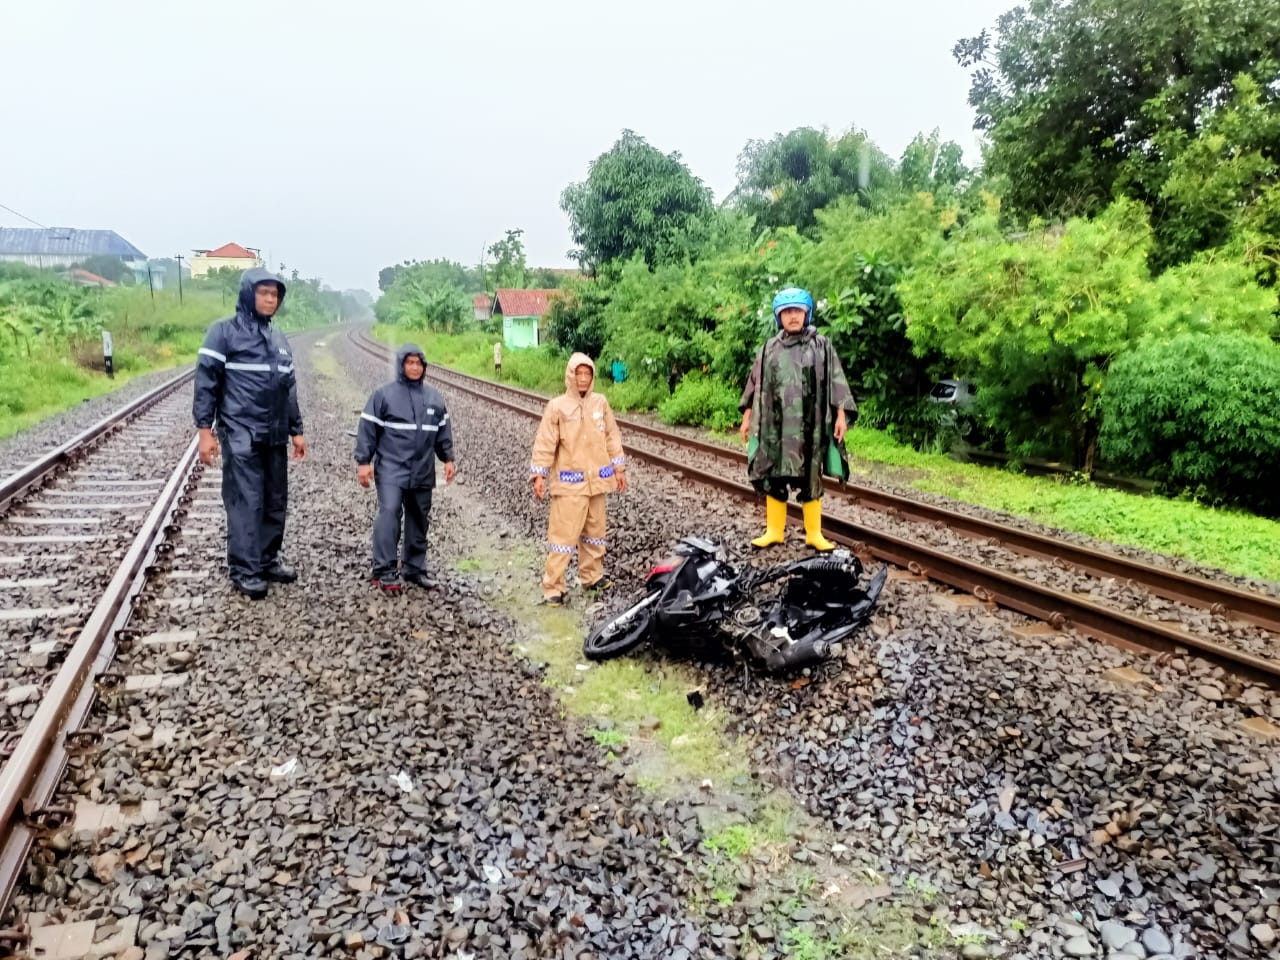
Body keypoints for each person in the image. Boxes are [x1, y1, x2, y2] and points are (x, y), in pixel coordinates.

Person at [193, 268, 306, 599]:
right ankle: (244, 568)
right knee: (246, 501)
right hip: (239, 430)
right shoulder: (223, 333)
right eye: (264, 293)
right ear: (248, 294)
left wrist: (296, 431)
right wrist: (205, 431)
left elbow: (288, 390)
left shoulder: (279, 339)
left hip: (274, 433)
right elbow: (206, 383)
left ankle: (268, 559)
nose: (270, 300)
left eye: (275, 295)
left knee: (274, 499)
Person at [739, 287, 855, 552]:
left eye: (798, 311)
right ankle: (773, 531)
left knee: (811, 474)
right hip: (775, 426)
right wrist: (747, 417)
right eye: (787, 312)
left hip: (809, 426)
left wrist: (840, 415)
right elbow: (754, 385)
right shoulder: (769, 348)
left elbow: (837, 380)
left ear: (807, 313)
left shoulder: (822, 345)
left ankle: (814, 534)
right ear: (779, 316)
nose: (793, 316)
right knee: (772, 473)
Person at [354, 343, 456, 592]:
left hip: (422, 469)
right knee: (389, 513)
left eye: (418, 363)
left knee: (419, 518)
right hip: (391, 468)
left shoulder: (434, 398)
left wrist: (448, 459)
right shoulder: (383, 395)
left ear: (424, 367)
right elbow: (368, 430)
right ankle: (384, 570)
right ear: (401, 365)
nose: (414, 367)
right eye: (409, 363)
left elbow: (442, 432)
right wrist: (364, 462)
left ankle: (414, 568)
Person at [529, 353, 627, 606]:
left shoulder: (600, 404)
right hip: (569, 483)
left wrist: (619, 469)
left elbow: (612, 437)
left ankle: (592, 576)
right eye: (578, 374)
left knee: (595, 532)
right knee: (563, 536)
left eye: (588, 374)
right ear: (570, 376)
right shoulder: (557, 406)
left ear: (592, 377)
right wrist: (539, 474)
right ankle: (553, 586)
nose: (583, 379)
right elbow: (545, 442)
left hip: (598, 481)